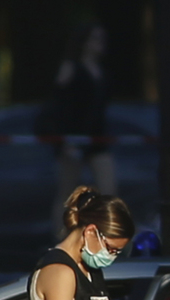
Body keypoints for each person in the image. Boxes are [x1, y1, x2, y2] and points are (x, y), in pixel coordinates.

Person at [45, 24, 116, 239]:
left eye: (102, 39)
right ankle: (59, 239)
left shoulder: (102, 71)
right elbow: (59, 106)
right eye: (95, 39)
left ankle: (107, 237)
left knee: (108, 190)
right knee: (67, 193)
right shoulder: (71, 68)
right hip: (72, 139)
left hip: (97, 138)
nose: (100, 45)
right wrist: (64, 139)